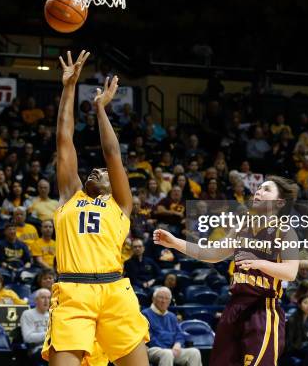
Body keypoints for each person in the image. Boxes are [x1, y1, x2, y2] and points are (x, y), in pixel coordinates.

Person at [42, 51, 149, 366]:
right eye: (94, 170)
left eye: (102, 173)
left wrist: (102, 108)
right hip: (74, 292)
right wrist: (69, 87)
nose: (96, 171)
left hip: (115, 291)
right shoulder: (69, 196)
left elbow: (112, 152)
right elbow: (64, 140)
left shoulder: (121, 205)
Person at [154, 176, 301, 366]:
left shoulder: (286, 231)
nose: (258, 191)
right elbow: (212, 253)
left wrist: (258, 263)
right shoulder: (242, 227)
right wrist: (175, 242)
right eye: (258, 188)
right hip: (234, 308)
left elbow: (290, 272)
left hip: (263, 308)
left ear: (280, 202)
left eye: (266, 190)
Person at [142, 287, 202, 366]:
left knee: (194, 352)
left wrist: (177, 344)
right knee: (167, 353)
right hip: (154, 349)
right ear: (153, 299)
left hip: (172, 350)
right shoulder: (145, 314)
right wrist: (167, 348)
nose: (164, 301)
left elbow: (179, 334)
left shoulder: (172, 316)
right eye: (161, 297)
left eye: (167, 298)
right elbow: (149, 337)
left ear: (170, 301)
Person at [21, 288, 51, 365]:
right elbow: (28, 337)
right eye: (43, 297)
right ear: (36, 300)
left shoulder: (52, 315)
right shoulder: (28, 314)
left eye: (48, 298)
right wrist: (49, 335)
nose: (46, 300)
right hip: (36, 350)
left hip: (52, 348)